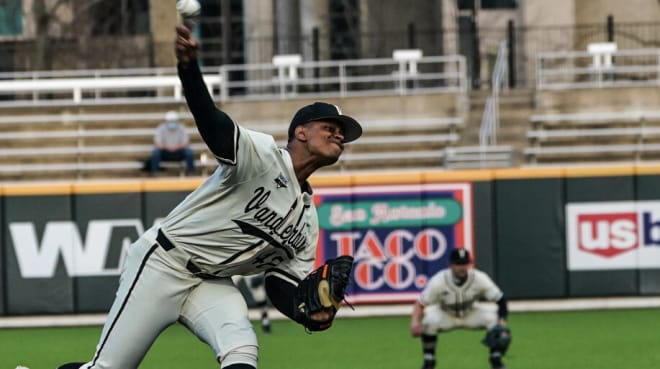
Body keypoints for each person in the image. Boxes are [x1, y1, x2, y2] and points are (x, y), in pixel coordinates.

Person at [57, 22, 362, 369]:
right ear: (301, 132)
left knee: (242, 353)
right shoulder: (263, 156)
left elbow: (281, 283)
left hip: (212, 283)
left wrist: (306, 312)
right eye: (330, 128)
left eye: (342, 133)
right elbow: (213, 125)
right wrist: (189, 69)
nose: (339, 135)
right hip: (164, 263)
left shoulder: (307, 222)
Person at [410, 248, 511, 369]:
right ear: (450, 265)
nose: (462, 267)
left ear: (469, 264)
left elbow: (501, 300)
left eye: (465, 263)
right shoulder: (439, 281)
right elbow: (420, 304)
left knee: (494, 320)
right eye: (458, 264)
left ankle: (496, 360)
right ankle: (429, 361)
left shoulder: (479, 278)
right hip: (446, 314)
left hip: (470, 313)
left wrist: (502, 323)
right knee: (429, 321)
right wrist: (415, 323)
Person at [149, 110, 196, 176]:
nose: (172, 122)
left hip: (178, 152)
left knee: (188, 152)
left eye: (174, 121)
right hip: (165, 152)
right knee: (156, 151)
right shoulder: (161, 128)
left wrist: (175, 148)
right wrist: (168, 148)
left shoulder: (182, 128)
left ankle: (191, 172)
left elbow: (186, 143)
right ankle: (154, 173)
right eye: (170, 121)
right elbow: (158, 143)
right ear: (166, 121)